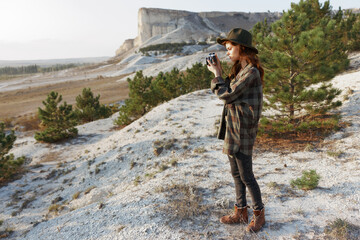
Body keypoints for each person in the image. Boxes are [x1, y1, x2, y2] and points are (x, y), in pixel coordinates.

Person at [206, 28, 265, 233]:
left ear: (242, 48)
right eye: (226, 49)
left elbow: (226, 95)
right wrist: (222, 73)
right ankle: (241, 211)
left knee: (246, 175)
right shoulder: (240, 71)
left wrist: (216, 74)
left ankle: (259, 214)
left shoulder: (251, 72)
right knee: (236, 174)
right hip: (234, 128)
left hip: (243, 131)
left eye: (230, 48)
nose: (227, 52)